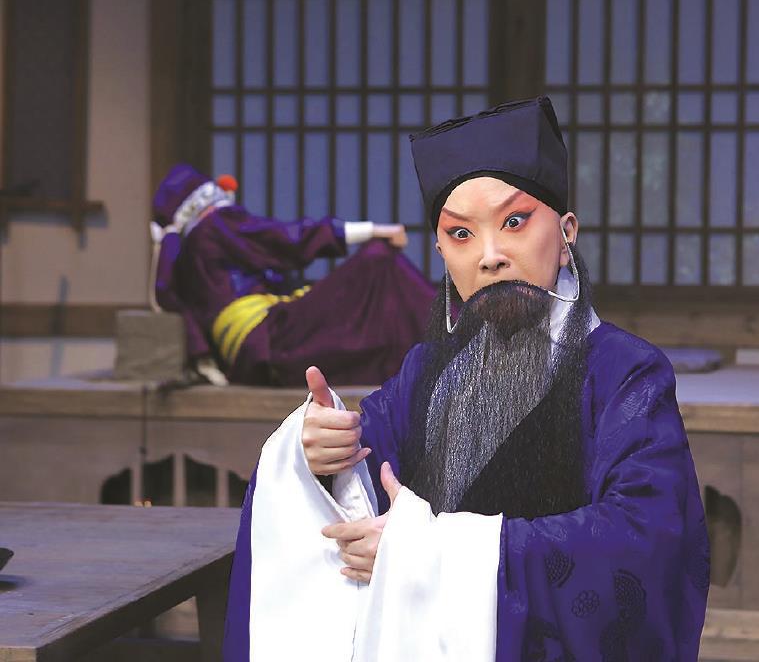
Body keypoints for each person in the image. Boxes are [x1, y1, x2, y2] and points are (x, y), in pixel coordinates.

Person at [224, 97, 709, 661]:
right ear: (440, 252)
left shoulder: (625, 372)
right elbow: (359, 475)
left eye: (514, 222)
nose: (490, 256)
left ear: (566, 232)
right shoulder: (425, 373)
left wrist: (424, 556)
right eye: (461, 234)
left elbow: (643, 538)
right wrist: (315, 453)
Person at [150, 164, 435, 386]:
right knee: (377, 258)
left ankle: (437, 347)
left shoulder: (185, 252)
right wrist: (373, 230)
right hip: (269, 336)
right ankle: (450, 333)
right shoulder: (214, 226)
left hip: (248, 357)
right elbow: (284, 239)